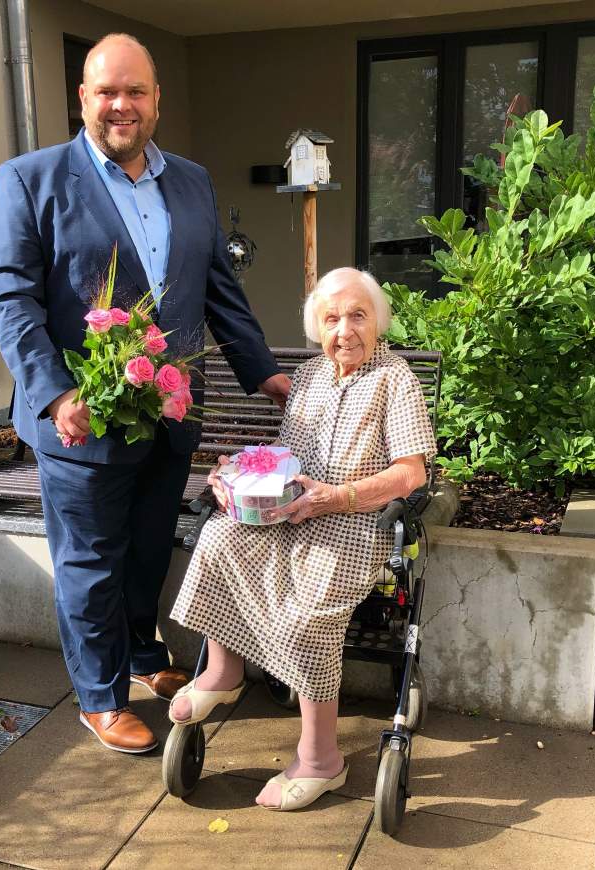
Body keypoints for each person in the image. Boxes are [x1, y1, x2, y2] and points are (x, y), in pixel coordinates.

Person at [0, 32, 289, 754]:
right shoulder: (31, 178)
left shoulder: (190, 179)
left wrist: (264, 372)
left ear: (156, 101)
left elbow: (218, 286)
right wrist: (57, 394)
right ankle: (99, 693)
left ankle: (144, 656)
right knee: (91, 561)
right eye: (107, 91)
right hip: (81, 420)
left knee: (149, 549)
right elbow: (12, 299)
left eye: (137, 92)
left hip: (170, 412)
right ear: (83, 98)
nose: (122, 105)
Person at [169, 267, 437, 810]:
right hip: (292, 510)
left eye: (358, 315)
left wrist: (336, 496)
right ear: (318, 326)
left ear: (377, 321)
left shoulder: (396, 378)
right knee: (219, 535)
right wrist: (236, 473)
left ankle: (321, 759)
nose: (345, 329)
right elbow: (283, 455)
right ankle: (223, 671)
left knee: (306, 607)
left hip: (355, 518)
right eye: (332, 318)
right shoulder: (311, 374)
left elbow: (412, 474)